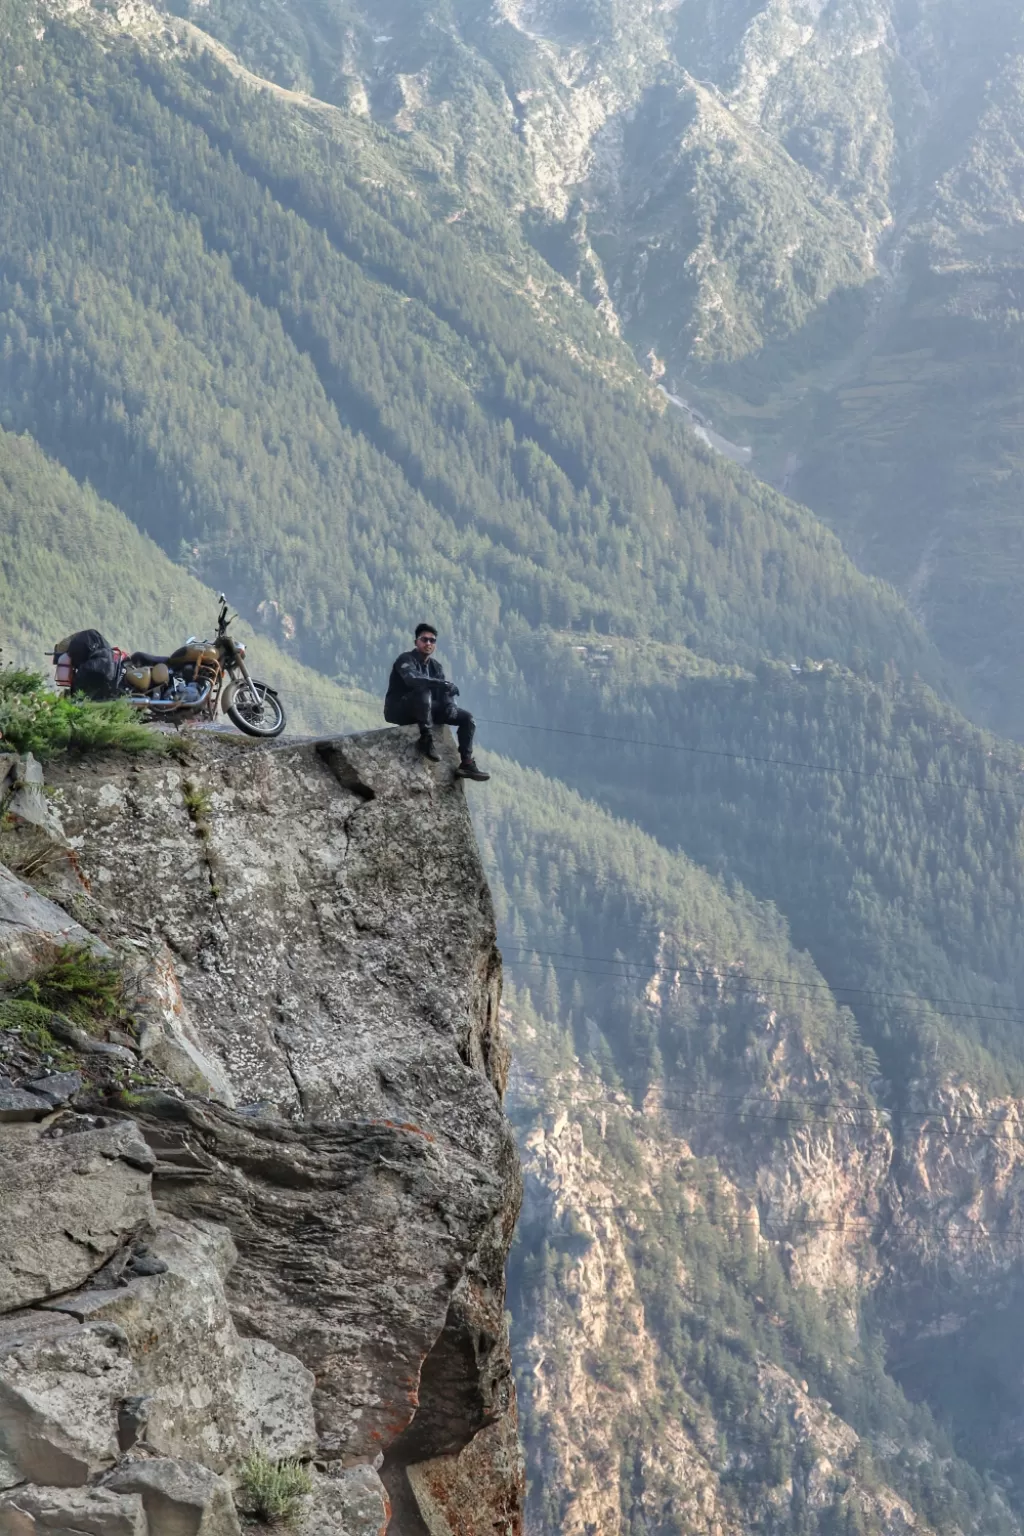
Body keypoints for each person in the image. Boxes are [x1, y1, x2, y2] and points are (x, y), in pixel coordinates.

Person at [384, 624, 490, 781]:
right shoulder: (405, 659)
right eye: (424, 639)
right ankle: (426, 739)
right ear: (416, 642)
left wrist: (450, 706)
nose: (428, 643)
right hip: (399, 709)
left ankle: (466, 763)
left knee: (467, 718)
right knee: (423, 691)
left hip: (425, 709)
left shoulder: (435, 666)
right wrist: (442, 684)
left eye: (432, 640)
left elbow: (443, 692)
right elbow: (412, 679)